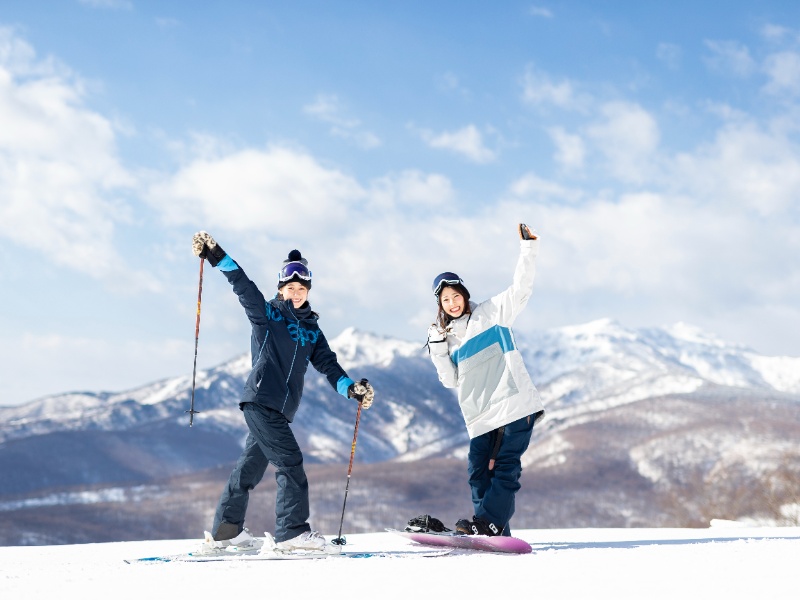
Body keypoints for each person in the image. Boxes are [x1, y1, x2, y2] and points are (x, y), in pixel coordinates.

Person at [191, 231, 375, 551]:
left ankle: (226, 530)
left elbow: (328, 366)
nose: (296, 292)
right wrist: (215, 254)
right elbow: (243, 286)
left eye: (301, 288)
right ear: (281, 288)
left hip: (278, 409)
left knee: (249, 468)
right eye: (290, 287)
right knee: (290, 462)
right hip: (261, 400)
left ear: (308, 290)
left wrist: (352, 389)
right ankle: (291, 531)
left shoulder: (311, 330)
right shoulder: (268, 315)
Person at [426, 223, 544, 537]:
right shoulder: (446, 338)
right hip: (480, 415)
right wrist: (438, 351)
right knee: (478, 473)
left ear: (464, 295)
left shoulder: (491, 314)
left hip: (514, 405)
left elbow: (521, 288)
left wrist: (528, 248)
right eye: (445, 300)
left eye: (455, 296)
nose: (452, 303)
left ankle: (489, 525)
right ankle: (489, 531)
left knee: (506, 469)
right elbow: (450, 381)